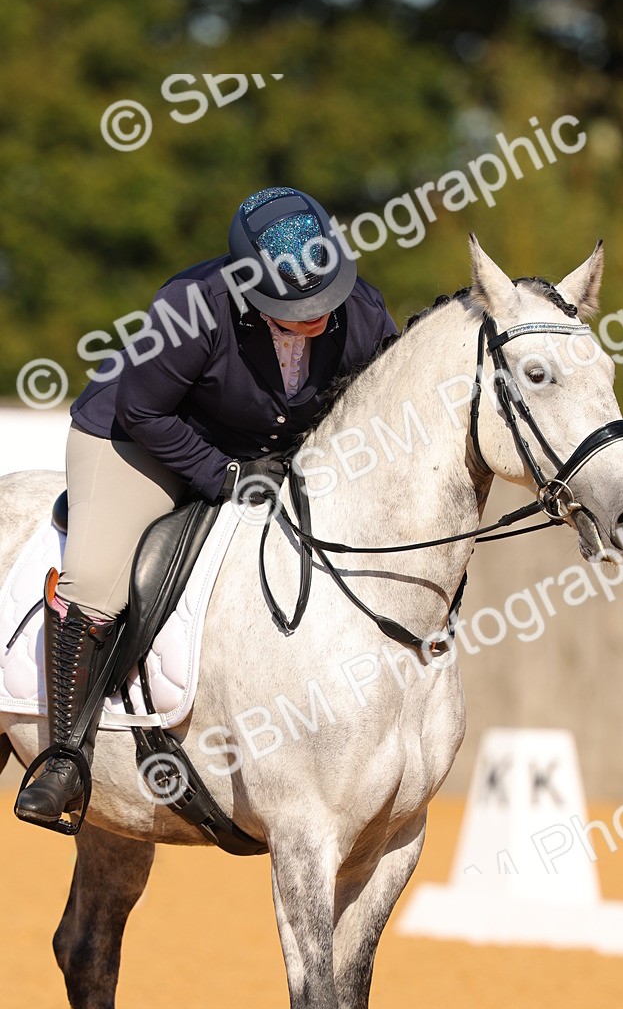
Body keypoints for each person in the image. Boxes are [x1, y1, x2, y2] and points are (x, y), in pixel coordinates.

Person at [15, 186, 398, 826]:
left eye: (323, 299)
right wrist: (224, 475)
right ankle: (64, 759)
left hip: (261, 454)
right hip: (139, 441)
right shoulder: (192, 307)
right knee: (98, 578)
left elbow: (384, 400)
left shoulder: (359, 309)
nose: (315, 316)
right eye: (294, 307)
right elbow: (143, 410)